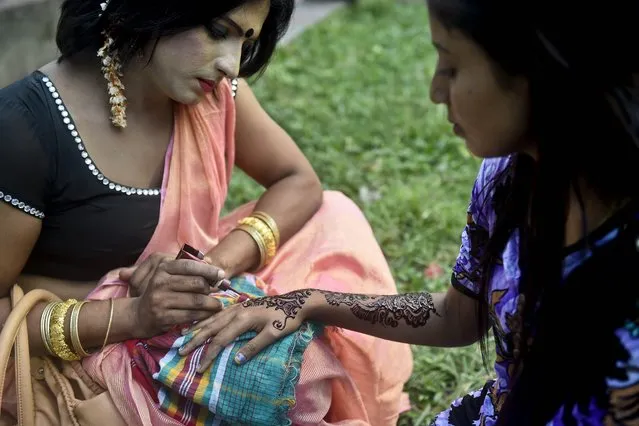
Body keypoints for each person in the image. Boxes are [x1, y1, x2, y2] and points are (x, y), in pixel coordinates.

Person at [180, 0, 639, 424]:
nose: (437, 90)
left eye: (453, 65)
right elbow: (460, 316)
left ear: (537, 71)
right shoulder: (507, 177)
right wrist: (310, 301)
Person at [0, 0, 413, 424]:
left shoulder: (212, 93)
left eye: (245, 41)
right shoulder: (24, 127)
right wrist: (133, 315)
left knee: (333, 218)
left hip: (182, 314)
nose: (231, 65)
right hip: (77, 361)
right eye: (219, 30)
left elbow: (297, 180)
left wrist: (205, 270)